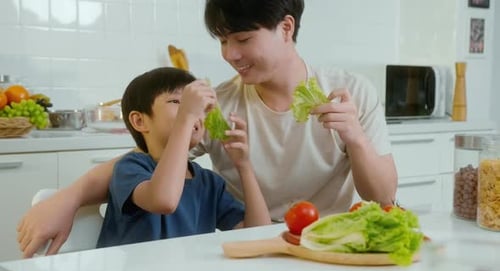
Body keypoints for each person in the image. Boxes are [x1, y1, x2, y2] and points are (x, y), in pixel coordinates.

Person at [17, 0, 397, 257]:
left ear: (285, 28)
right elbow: (148, 163)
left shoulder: (349, 93)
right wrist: (67, 197)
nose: (229, 54)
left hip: (326, 253)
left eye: (243, 39)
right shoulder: (220, 105)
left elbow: (382, 194)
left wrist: (356, 139)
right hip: (252, 254)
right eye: (222, 40)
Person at [96, 67, 270, 248]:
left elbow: (259, 237)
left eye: (196, 107)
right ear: (139, 121)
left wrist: (244, 166)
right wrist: (186, 117)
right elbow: (164, 200)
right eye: (176, 101)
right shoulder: (130, 168)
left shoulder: (209, 183)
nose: (194, 112)